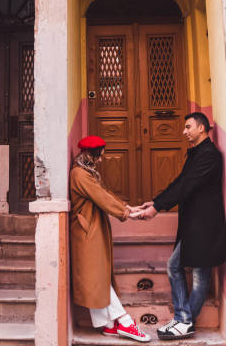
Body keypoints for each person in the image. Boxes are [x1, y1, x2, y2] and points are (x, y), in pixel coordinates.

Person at [130, 112, 226, 340]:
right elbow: (180, 182)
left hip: (204, 224)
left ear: (201, 128)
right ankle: (185, 321)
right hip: (194, 223)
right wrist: (156, 201)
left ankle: (184, 320)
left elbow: (187, 186)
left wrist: (157, 208)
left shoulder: (209, 155)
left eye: (188, 127)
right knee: (186, 269)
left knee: (193, 272)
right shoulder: (197, 153)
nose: (184, 131)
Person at [70, 135, 151, 342]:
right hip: (87, 232)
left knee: (97, 278)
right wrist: (126, 214)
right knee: (97, 279)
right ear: (92, 154)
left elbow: (104, 192)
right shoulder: (80, 174)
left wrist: (127, 208)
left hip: (91, 230)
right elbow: (101, 196)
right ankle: (125, 322)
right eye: (100, 154)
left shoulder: (85, 173)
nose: (102, 158)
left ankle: (108, 326)